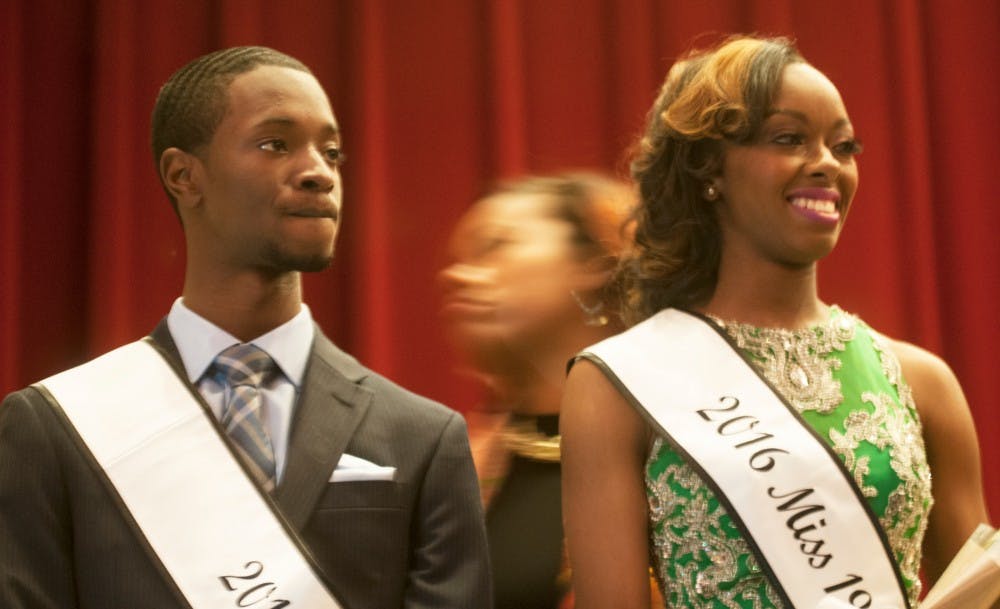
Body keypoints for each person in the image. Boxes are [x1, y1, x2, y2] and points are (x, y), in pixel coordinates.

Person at [0, 46, 490, 609]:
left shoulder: (423, 438)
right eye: (275, 144)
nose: (318, 173)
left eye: (331, 151)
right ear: (184, 175)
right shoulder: (56, 426)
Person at [560, 36, 995, 609]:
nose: (827, 164)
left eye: (843, 145)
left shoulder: (923, 382)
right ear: (707, 169)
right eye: (789, 139)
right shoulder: (616, 383)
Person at [439, 173, 643, 609]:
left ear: (597, 266)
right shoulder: (461, 469)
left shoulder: (677, 450)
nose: (457, 274)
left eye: (497, 245)